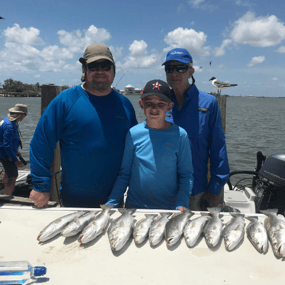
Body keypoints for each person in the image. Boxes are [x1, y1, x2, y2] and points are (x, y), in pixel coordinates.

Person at [29, 43, 138, 208]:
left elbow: (136, 147)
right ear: (84, 70)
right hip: (73, 200)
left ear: (113, 69)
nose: (100, 71)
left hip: (115, 200)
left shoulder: (125, 104)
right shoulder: (65, 101)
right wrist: (41, 185)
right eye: (93, 66)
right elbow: (41, 143)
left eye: (105, 65)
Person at [105, 79, 194, 210]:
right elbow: (125, 173)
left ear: (170, 106)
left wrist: (182, 204)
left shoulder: (180, 135)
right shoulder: (133, 133)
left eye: (160, 104)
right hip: (135, 207)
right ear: (141, 104)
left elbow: (186, 175)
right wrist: (111, 202)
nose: (154, 108)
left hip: (169, 208)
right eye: (149, 103)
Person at [162, 48, 230, 210]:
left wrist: (215, 189)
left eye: (181, 68)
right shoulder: (160, 103)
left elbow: (218, 148)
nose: (174, 73)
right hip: (162, 190)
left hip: (195, 190)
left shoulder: (209, 103)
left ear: (191, 71)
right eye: (169, 69)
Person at [0, 104, 28, 195]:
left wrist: (16, 151)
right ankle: (7, 197)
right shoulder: (10, 126)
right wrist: (15, 160)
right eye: (25, 114)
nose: (24, 117)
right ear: (21, 114)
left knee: (7, 171)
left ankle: (5, 190)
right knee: (13, 177)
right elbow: (6, 145)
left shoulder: (6, 120)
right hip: (5, 154)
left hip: (4, 152)